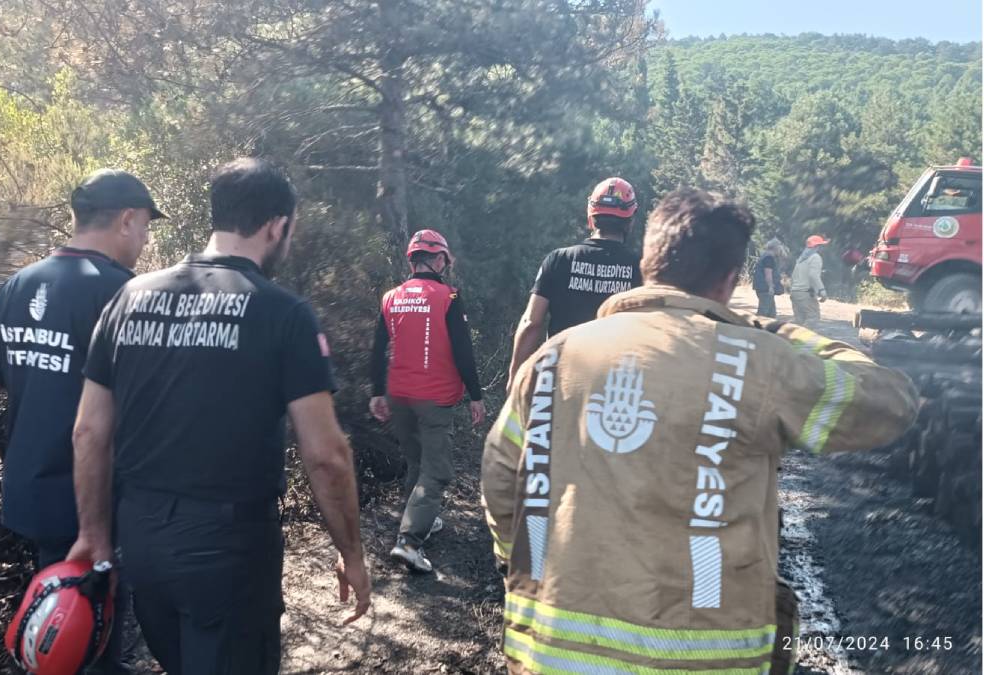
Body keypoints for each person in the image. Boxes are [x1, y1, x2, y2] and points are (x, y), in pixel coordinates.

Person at [481, 189, 918, 675]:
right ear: (730, 278)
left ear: (649, 262)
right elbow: (890, 401)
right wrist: (777, 333)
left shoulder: (552, 359)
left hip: (550, 653)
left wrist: (517, 561)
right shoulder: (758, 360)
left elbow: (501, 481)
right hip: (704, 659)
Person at [66, 158, 370, 675]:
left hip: (142, 539)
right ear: (278, 225)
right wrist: (352, 551)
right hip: (228, 549)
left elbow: (89, 431)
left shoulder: (128, 297)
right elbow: (326, 456)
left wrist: (95, 534)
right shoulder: (283, 313)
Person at [0, 168, 163, 674]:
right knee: (89, 642)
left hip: (36, 496)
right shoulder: (125, 295)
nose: (146, 239)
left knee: (68, 637)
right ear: (127, 219)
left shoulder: (17, 286)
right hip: (99, 506)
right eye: (146, 226)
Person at [369, 229, 485, 574]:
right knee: (436, 472)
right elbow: (463, 350)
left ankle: (421, 518)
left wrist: (377, 391)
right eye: (444, 261)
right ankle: (409, 542)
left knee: (416, 460)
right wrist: (476, 395)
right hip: (434, 396)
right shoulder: (447, 296)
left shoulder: (391, 297)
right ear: (438, 260)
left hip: (398, 394)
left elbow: (377, 349)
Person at [507, 177, 642, 391]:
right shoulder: (641, 268)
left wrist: (516, 377)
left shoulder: (559, 260)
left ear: (591, 216)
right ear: (630, 221)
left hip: (560, 382)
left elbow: (531, 323)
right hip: (614, 386)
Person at [790, 234, 829, 326]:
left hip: (795, 293)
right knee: (813, 318)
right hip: (806, 294)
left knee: (799, 322)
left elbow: (793, 276)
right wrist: (822, 291)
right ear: (817, 247)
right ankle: (803, 340)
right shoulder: (815, 257)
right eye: (821, 246)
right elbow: (813, 275)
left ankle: (793, 340)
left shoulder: (801, 259)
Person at [752, 237, 788, 317]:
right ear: (776, 248)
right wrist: (770, 286)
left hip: (762, 288)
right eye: (779, 247)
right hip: (766, 289)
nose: (780, 249)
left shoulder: (764, 256)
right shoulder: (769, 258)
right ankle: (756, 328)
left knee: (771, 314)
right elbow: (768, 273)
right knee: (763, 314)